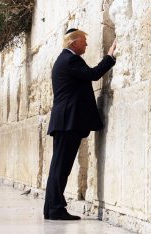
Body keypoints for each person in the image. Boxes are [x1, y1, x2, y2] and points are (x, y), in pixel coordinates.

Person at [44, 28, 116, 220]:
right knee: (61, 167)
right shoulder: (70, 59)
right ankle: (56, 209)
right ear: (73, 43)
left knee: (58, 167)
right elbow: (93, 74)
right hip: (69, 121)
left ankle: (51, 209)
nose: (86, 44)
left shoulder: (62, 60)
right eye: (83, 41)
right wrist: (110, 56)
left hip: (64, 121)